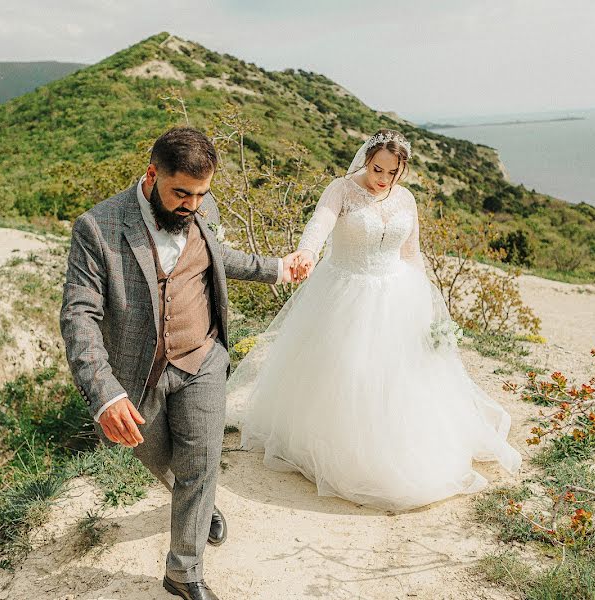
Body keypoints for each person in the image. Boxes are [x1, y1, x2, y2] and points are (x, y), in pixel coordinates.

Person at [60, 127, 302, 600]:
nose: (193, 205)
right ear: (152, 176)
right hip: (138, 375)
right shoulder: (98, 227)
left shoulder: (202, 207)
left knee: (200, 456)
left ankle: (183, 571)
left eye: (201, 194)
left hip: (202, 356)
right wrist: (106, 393)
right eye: (181, 193)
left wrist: (274, 268)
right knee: (160, 458)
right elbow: (78, 315)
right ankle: (197, 499)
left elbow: (214, 256)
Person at [226, 129, 523, 511]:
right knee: (349, 372)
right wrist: (306, 253)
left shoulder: (406, 199)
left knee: (399, 378)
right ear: (366, 158)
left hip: (397, 293)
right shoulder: (342, 189)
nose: (382, 178)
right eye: (376, 167)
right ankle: (341, 449)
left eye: (391, 172)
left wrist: (427, 302)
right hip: (345, 291)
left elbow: (412, 253)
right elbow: (320, 224)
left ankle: (396, 446)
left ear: (403, 170)